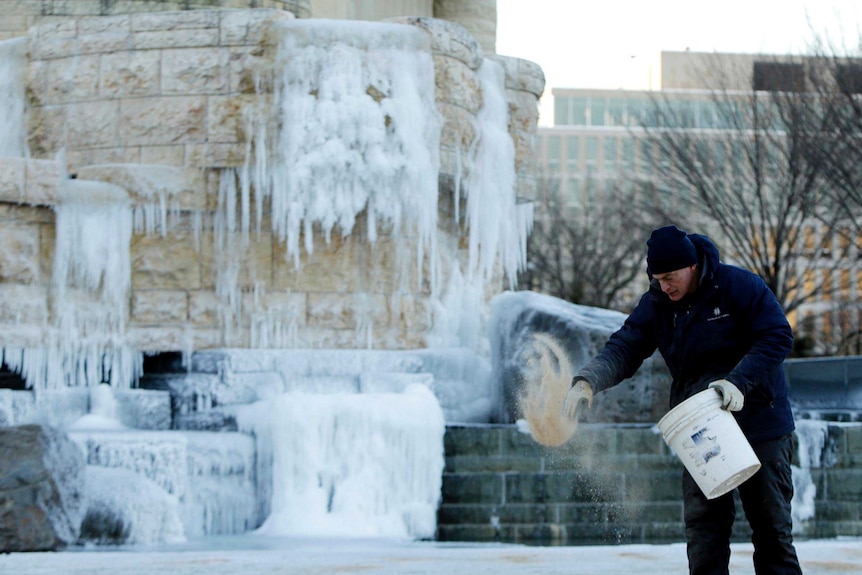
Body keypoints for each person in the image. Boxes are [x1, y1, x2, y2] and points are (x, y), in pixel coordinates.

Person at [563, 224, 802, 575]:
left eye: (670, 277)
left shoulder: (739, 286)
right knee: (705, 532)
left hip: (759, 422)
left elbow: (778, 336)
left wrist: (738, 382)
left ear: (692, 267)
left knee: (772, 531)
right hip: (701, 427)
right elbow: (626, 346)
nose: (664, 285)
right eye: (657, 278)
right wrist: (588, 380)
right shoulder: (658, 303)